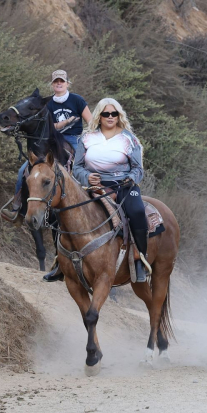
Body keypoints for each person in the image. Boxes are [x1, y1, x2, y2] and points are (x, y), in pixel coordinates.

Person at [72, 98, 150, 283]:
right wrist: (86, 177)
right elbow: (77, 167)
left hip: (123, 185)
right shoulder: (86, 138)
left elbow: (138, 169)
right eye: (106, 113)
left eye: (113, 113)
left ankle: (140, 258)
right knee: (65, 209)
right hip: (92, 186)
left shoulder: (129, 139)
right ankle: (62, 260)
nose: (110, 117)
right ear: (99, 116)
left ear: (118, 115)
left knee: (138, 211)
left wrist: (130, 178)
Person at [2, 70, 92, 223]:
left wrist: (89, 138)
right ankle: (17, 208)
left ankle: (88, 208)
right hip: (50, 139)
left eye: (62, 81)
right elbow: (47, 125)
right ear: (52, 84)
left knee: (83, 167)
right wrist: (64, 123)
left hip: (72, 138)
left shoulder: (77, 100)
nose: (59, 83)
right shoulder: (47, 103)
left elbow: (91, 121)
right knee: (23, 171)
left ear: (67, 83)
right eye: (56, 81)